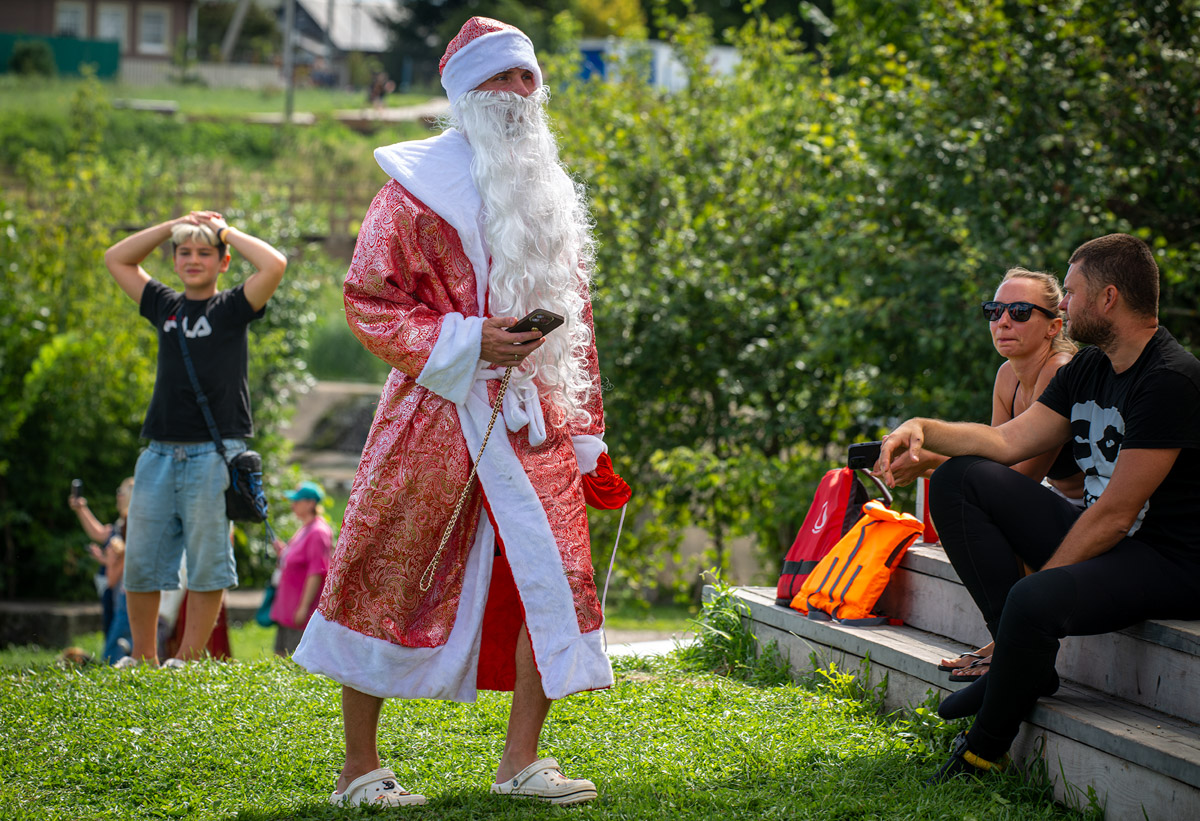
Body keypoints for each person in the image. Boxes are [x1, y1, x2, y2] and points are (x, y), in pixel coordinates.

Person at [294, 16, 630, 809]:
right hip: (434, 414)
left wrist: (588, 434)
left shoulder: (549, 192)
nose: (520, 92)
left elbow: (576, 323)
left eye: (527, 77)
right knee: (386, 568)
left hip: (535, 420)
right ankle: (358, 769)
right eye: (502, 78)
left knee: (548, 579)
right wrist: (470, 338)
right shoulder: (410, 191)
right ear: (464, 93)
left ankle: (523, 761)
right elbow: (369, 302)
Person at [874, 233, 1200, 783]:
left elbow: (1117, 513)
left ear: (1109, 298)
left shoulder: (1170, 379)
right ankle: (1020, 662)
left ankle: (980, 753)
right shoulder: (1090, 369)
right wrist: (923, 429)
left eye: (1070, 293)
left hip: (1170, 557)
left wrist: (1040, 586)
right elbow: (1005, 444)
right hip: (1109, 534)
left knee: (1034, 595)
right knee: (960, 479)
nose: (1065, 305)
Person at [104, 211, 287, 668]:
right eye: (184, 252)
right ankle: (144, 659)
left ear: (223, 262)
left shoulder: (230, 308)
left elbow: (274, 264)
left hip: (213, 453)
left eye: (205, 252)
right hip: (159, 452)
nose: (192, 260)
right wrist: (172, 226)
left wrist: (225, 231)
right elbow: (117, 259)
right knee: (141, 561)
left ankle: (186, 660)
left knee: (208, 563)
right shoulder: (164, 304)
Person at [886, 268, 1084, 681]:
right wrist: (926, 459)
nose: (1003, 321)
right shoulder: (1007, 375)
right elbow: (994, 463)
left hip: (1092, 519)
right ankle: (1008, 639)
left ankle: (1012, 646)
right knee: (961, 489)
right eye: (994, 311)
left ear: (1054, 326)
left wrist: (933, 459)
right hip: (1051, 503)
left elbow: (1020, 476)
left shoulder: (1062, 371)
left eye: (1019, 311)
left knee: (965, 495)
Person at [70, 477, 135, 663]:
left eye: (120, 492)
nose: (117, 496)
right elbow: (99, 532)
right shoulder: (121, 525)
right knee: (114, 633)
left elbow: (124, 564)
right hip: (118, 594)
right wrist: (81, 508)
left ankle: (114, 665)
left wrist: (109, 563)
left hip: (125, 593)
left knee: (117, 641)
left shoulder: (130, 526)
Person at [270, 481, 333, 656]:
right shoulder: (305, 528)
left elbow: (316, 572)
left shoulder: (318, 532)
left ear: (311, 503)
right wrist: (283, 552)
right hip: (288, 608)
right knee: (280, 657)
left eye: (297, 501)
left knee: (294, 660)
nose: (293, 505)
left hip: (299, 611)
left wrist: (303, 608)